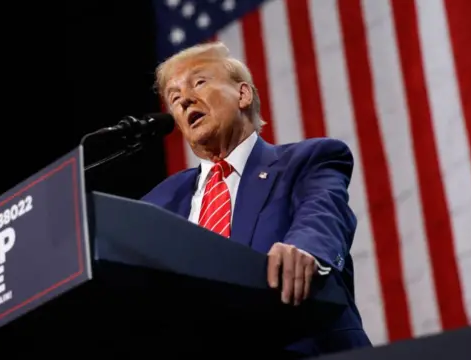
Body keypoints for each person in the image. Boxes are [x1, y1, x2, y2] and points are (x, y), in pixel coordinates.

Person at [141, 41, 371, 357]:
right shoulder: (156, 204)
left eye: (199, 82)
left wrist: (306, 249)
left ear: (243, 94)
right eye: (174, 97)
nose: (184, 100)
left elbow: (323, 213)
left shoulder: (307, 161)